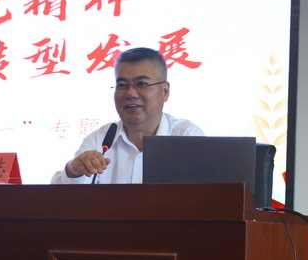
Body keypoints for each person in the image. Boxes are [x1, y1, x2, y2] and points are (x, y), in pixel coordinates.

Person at [51, 47, 203, 184]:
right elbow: (58, 197)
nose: (130, 93)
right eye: (122, 85)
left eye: (142, 84)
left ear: (165, 91)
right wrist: (74, 169)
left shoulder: (187, 137)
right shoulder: (100, 140)